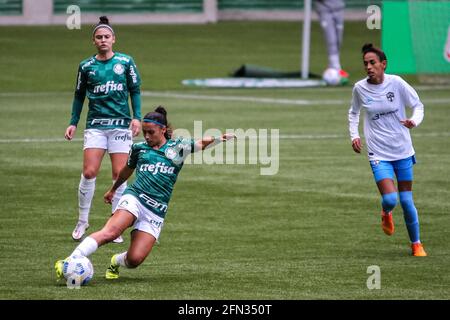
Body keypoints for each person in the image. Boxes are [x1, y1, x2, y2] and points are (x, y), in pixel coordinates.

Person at [56, 107, 236, 280]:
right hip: (134, 198)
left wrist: (220, 138)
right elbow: (127, 170)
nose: (147, 136)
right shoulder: (139, 148)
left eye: (151, 132)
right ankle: (70, 260)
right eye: (145, 132)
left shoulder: (178, 147)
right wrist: (114, 189)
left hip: (156, 211)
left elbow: (201, 143)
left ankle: (115, 261)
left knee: (134, 260)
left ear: (163, 130)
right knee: (110, 232)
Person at [64, 16, 142, 243]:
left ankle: (113, 224)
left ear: (113, 39)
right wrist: (73, 122)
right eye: (99, 37)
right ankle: (82, 220)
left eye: (107, 36)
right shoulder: (86, 66)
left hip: (120, 125)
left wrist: (136, 118)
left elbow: (134, 90)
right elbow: (79, 95)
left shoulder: (126, 62)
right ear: (93, 41)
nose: (103, 40)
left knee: (119, 174)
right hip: (96, 126)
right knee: (89, 172)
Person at [348, 43, 427, 257]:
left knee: (407, 201)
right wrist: (354, 135)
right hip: (378, 153)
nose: (368, 67)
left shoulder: (397, 83)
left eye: (372, 63)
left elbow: (418, 105)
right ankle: (386, 211)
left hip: (402, 149)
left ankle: (416, 244)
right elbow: (354, 113)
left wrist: (413, 121)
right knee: (391, 199)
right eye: (365, 63)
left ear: (383, 64)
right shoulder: (360, 88)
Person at [314, 0, 349, 79]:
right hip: (324, 9)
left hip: (339, 7)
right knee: (331, 39)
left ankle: (333, 68)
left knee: (338, 40)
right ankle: (337, 69)